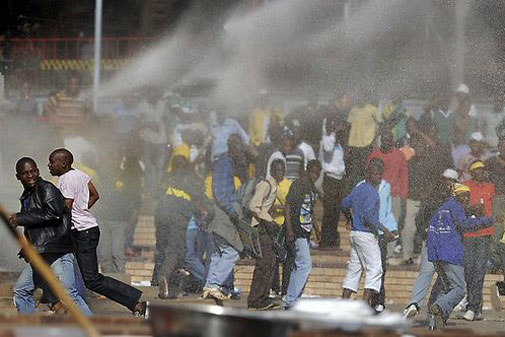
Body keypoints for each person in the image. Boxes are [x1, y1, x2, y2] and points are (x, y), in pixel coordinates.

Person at [47, 148, 147, 316]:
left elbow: (66, 208)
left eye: (52, 162)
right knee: (56, 264)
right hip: (86, 229)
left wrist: (52, 223)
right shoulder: (80, 174)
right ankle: (59, 304)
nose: (49, 165)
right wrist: (83, 211)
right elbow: (95, 195)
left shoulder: (65, 179)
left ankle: (135, 303)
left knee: (92, 279)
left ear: (63, 163)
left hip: (81, 232)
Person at [11, 157, 92, 316]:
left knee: (68, 293)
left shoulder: (45, 189)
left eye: (33, 171)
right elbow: (38, 227)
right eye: (25, 173)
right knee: (21, 290)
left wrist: (20, 218)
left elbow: (53, 214)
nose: (30, 175)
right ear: (18, 176)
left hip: (57, 251)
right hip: (42, 253)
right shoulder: (28, 195)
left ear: (38, 171)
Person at [426, 183, 494, 330]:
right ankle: (439, 307)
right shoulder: (455, 205)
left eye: (468, 197)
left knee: (445, 288)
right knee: (459, 290)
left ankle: (434, 324)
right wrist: (488, 220)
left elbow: (433, 232)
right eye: (464, 196)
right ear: (456, 195)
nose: (466, 200)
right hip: (451, 254)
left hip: (438, 255)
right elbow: (465, 225)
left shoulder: (441, 209)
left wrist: (433, 255)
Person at [403, 169, 457, 318]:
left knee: (438, 276)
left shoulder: (455, 201)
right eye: (446, 180)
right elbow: (420, 219)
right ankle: (416, 304)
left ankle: (429, 307)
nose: (448, 183)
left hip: (445, 244)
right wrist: (425, 234)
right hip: (436, 243)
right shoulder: (434, 200)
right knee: (431, 273)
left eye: (451, 181)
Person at [341, 159, 394, 308]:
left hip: (355, 234)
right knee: (375, 269)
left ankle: (343, 303)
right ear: (368, 174)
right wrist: (384, 230)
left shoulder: (359, 188)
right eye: (376, 174)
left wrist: (349, 219)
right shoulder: (372, 193)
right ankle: (365, 306)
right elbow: (369, 216)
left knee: (354, 269)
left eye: (380, 174)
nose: (379, 177)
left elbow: (344, 204)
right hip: (366, 235)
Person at [151, 155, 205, 299]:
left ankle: (170, 284)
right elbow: (198, 198)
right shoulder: (190, 179)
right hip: (179, 216)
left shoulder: (166, 178)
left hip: (161, 215)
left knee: (164, 249)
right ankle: (164, 276)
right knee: (174, 250)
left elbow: (155, 194)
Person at [203, 136, 247, 300]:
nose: (242, 153)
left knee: (218, 253)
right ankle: (214, 285)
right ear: (232, 148)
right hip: (224, 214)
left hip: (220, 213)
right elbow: (220, 192)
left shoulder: (226, 163)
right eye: (240, 149)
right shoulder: (225, 164)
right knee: (232, 251)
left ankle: (209, 287)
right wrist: (231, 210)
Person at [282, 160, 321, 309]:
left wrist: (317, 229)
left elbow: (310, 211)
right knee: (305, 264)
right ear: (307, 171)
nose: (315, 175)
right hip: (296, 230)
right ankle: (290, 299)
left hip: (305, 230)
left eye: (317, 173)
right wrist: (289, 229)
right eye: (312, 171)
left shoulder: (312, 188)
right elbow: (288, 205)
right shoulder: (299, 185)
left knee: (300, 265)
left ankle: (292, 299)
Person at [247, 159, 285, 310]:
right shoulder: (266, 184)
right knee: (264, 264)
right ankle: (255, 300)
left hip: (266, 228)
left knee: (269, 263)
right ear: (272, 171)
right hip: (261, 228)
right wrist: (269, 220)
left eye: (282, 171)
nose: (280, 173)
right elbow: (253, 205)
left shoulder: (274, 186)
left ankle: (262, 297)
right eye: (277, 170)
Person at [462, 160, 496, 321]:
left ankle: (472, 306)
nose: (481, 173)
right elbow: (461, 208)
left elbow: (494, 209)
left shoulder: (490, 187)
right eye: (477, 170)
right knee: (469, 270)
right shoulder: (465, 186)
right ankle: (477, 306)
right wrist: (472, 209)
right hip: (469, 234)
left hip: (484, 234)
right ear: (471, 172)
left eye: (483, 170)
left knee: (479, 271)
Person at [367, 129, 408, 251]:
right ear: (381, 141)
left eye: (389, 140)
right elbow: (368, 174)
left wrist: (403, 196)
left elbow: (404, 176)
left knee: (392, 224)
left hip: (394, 195)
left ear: (393, 141)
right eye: (384, 140)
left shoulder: (399, 155)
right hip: (377, 195)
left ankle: (389, 253)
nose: (387, 143)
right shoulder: (374, 154)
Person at [319, 116, 347, 250]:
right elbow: (328, 149)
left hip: (340, 179)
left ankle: (332, 240)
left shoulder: (341, 142)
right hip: (330, 178)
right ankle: (325, 241)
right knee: (329, 211)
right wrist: (333, 133)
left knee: (336, 211)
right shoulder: (327, 140)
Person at [346, 95, 380, 187]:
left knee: (366, 170)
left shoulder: (372, 109)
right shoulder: (353, 110)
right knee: (355, 172)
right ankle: (356, 191)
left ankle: (367, 190)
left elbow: (380, 124)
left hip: (366, 145)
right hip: (354, 146)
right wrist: (347, 146)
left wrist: (375, 138)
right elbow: (348, 127)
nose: (360, 99)